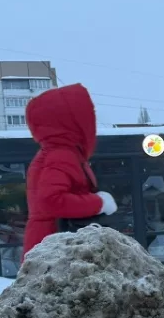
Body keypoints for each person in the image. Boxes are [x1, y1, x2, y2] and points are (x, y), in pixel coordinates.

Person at [22, 83, 117, 258]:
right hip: (53, 251)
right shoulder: (61, 154)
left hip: (49, 246)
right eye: (88, 114)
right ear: (74, 120)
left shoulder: (58, 152)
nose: (92, 120)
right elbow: (50, 200)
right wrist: (99, 203)